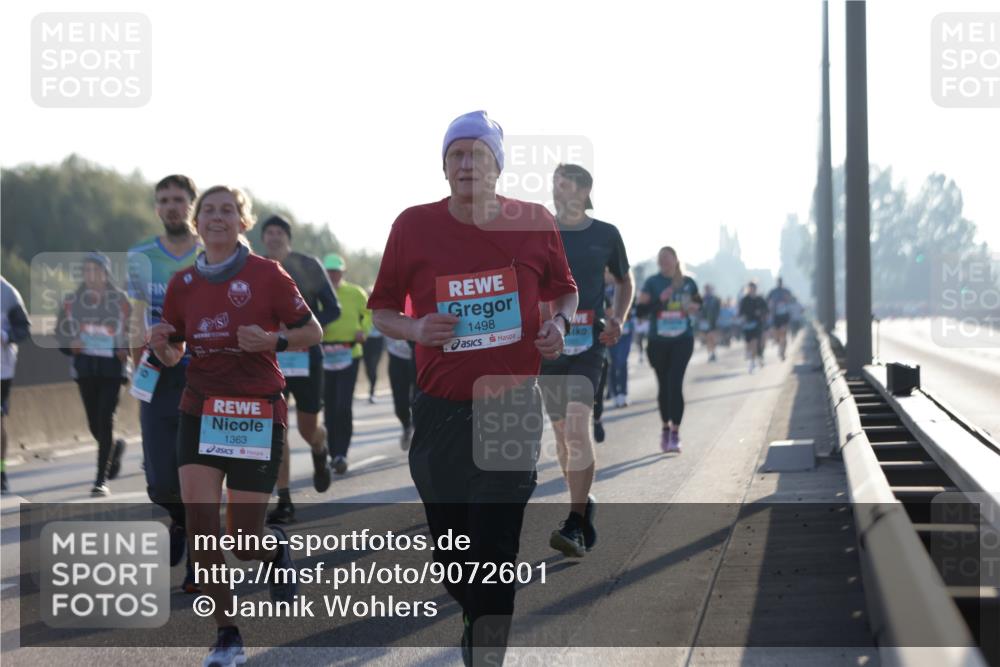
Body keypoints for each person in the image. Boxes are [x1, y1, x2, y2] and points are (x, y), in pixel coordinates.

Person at [368, 111, 578, 666]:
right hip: (438, 413)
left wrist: (557, 326)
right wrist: (414, 327)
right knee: (456, 558)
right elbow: (382, 310)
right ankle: (471, 612)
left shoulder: (532, 222)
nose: (465, 164)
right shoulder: (413, 225)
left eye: (476, 154)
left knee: (495, 549)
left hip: (509, 406)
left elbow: (565, 293)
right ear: (443, 166)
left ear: (496, 167)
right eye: (455, 154)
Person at [150, 185, 322, 666]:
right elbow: (174, 350)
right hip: (201, 408)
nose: (217, 217)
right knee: (203, 526)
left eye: (228, 210)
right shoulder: (182, 284)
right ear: (196, 221)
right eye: (209, 210)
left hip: (256, 412)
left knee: (244, 540)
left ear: (242, 222)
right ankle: (227, 633)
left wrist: (273, 339)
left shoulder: (267, 274)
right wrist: (163, 344)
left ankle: (273, 550)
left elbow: (313, 331)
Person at [540, 164, 632, 558]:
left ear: (583, 189)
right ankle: (583, 502)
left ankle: (574, 523)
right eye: (554, 185)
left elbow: (624, 281)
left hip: (590, 344)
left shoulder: (606, 234)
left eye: (562, 185)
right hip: (548, 347)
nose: (556, 192)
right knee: (562, 438)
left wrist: (618, 318)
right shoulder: (541, 232)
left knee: (577, 429)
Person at [128, 174, 203, 592]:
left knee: (201, 473)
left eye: (179, 198)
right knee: (160, 480)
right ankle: (177, 520)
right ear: (157, 207)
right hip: (156, 373)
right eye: (164, 200)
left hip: (204, 371)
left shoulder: (213, 253)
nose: (172, 206)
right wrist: (134, 361)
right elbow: (132, 314)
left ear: (191, 203)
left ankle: (199, 563)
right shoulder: (140, 256)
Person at [260, 215, 341, 525]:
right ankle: (285, 500)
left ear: (288, 237)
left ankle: (320, 448)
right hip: (270, 357)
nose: (274, 237)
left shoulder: (308, 265)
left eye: (280, 232)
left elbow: (333, 308)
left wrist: (300, 326)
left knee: (308, 428)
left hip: (306, 357)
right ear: (263, 238)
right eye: (269, 232)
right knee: (276, 429)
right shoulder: (255, 267)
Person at [55, 252, 131, 496]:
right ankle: (114, 449)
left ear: (105, 274)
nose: (91, 275)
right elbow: (60, 333)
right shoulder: (71, 301)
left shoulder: (120, 300)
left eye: (95, 270)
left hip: (112, 370)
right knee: (93, 424)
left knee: (105, 419)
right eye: (86, 271)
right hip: (85, 369)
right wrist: (70, 345)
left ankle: (100, 480)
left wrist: (126, 347)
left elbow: (137, 329)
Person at [636, 247, 701, 453]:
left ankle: (675, 432)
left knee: (675, 383)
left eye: (667, 258)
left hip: (682, 339)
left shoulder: (689, 282)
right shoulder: (652, 283)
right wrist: (659, 300)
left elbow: (699, 305)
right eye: (660, 259)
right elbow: (640, 312)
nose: (664, 261)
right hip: (658, 342)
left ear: (675, 259)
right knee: (664, 386)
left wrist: (691, 306)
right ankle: (665, 428)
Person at [320, 253, 371, 475]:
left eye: (336, 271)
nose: (333, 275)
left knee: (343, 405)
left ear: (343, 272)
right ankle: (333, 454)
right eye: (329, 271)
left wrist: (364, 330)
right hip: (324, 355)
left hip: (350, 352)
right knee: (329, 407)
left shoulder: (356, 293)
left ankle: (342, 453)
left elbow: (369, 314)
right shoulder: (318, 293)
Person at [1, 276, 30, 494]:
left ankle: (1, 472)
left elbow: (23, 328)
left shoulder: (8, 292)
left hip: (2, 369)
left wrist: (5, 335)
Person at [386, 335, 416, 449]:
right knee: (399, 401)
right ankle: (406, 426)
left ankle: (419, 430)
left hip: (420, 352)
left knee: (419, 398)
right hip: (396, 355)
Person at [739, 281, 769, 373]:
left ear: (756, 289)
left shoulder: (760, 299)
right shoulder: (745, 300)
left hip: (758, 323)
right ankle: (752, 358)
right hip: (747, 324)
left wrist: (761, 313)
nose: (752, 290)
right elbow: (741, 312)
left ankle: (752, 363)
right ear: (749, 289)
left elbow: (767, 310)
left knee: (755, 343)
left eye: (754, 288)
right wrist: (743, 318)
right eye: (750, 288)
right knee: (749, 345)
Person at [766, 277, 794, 361]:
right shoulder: (773, 291)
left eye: (780, 282)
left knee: (784, 333)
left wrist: (787, 300)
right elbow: (767, 300)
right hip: (776, 315)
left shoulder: (786, 291)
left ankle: (783, 352)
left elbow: (792, 300)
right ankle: (780, 346)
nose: (779, 283)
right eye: (778, 282)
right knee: (777, 335)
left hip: (784, 315)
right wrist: (770, 307)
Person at [362, 321, 385, 403]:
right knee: (368, 369)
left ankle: (372, 391)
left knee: (373, 367)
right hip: (366, 340)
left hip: (378, 340)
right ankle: (371, 388)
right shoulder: (363, 308)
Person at [700, 284, 721, 362]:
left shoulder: (716, 299)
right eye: (706, 289)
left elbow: (718, 310)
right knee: (708, 338)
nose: (707, 290)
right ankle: (710, 354)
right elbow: (699, 310)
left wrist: (717, 319)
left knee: (712, 338)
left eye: (708, 289)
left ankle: (713, 352)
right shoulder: (701, 299)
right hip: (705, 321)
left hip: (713, 321)